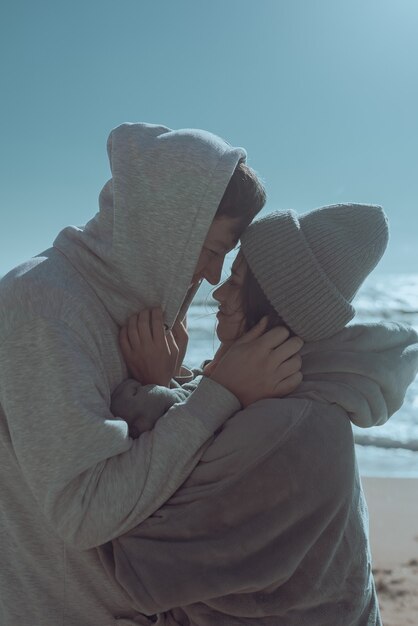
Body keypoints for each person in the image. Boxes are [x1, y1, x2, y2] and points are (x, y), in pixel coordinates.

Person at [0, 122, 303, 626]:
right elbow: (85, 509)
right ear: (166, 226)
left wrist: (167, 384)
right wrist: (218, 394)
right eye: (210, 249)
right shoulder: (43, 308)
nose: (212, 276)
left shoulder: (139, 309)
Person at [103, 203, 418, 625]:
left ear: (273, 298)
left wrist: (148, 395)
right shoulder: (290, 397)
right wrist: (183, 385)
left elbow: (141, 554)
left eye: (236, 280)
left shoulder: (292, 428)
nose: (218, 292)